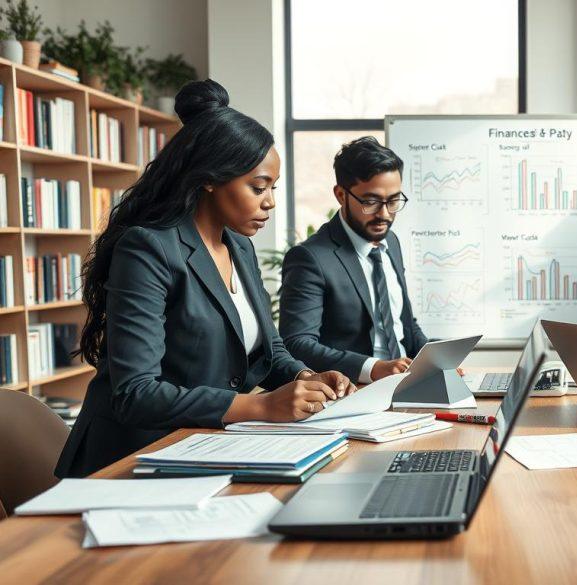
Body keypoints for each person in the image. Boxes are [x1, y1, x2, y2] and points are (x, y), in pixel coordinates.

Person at [55, 80, 356, 478]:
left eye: (272, 188)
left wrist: (306, 376)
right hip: (130, 460)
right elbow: (135, 394)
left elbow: (267, 349)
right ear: (210, 178)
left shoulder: (239, 246)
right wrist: (261, 406)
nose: (269, 201)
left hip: (202, 447)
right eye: (258, 187)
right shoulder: (148, 249)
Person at [279, 137, 429, 383]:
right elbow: (296, 343)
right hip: (354, 389)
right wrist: (373, 368)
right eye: (370, 202)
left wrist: (436, 364)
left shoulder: (392, 242)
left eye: (393, 201)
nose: (384, 214)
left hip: (407, 383)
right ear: (341, 195)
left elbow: (405, 324)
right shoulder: (310, 258)